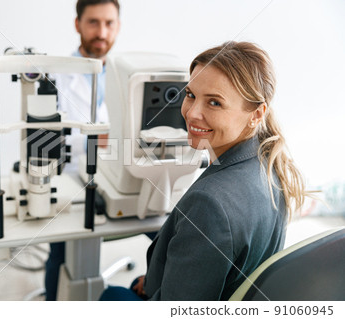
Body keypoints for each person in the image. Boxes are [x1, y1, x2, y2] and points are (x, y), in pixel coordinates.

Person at [99, 41, 309, 301]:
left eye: (214, 103)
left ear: (256, 115)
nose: (191, 113)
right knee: (134, 284)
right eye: (190, 95)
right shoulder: (270, 166)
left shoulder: (209, 204)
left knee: (110, 295)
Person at [44, 0, 121, 301]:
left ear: (118, 26)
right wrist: (96, 139)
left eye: (109, 23)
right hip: (72, 179)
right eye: (93, 22)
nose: (102, 31)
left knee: (167, 234)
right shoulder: (55, 77)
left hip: (117, 175)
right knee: (61, 249)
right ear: (78, 24)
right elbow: (47, 141)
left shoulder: (125, 76)